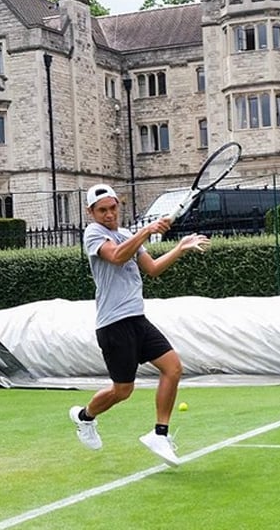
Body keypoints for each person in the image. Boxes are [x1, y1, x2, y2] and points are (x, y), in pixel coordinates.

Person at [69, 183, 210, 466]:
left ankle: (160, 434)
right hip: (113, 324)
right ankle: (84, 417)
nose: (109, 214)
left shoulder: (124, 235)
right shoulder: (93, 233)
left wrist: (180, 248)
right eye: (102, 210)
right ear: (91, 212)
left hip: (137, 318)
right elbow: (118, 257)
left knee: (173, 368)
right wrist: (146, 230)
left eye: (113, 208)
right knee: (122, 390)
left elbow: (153, 269)